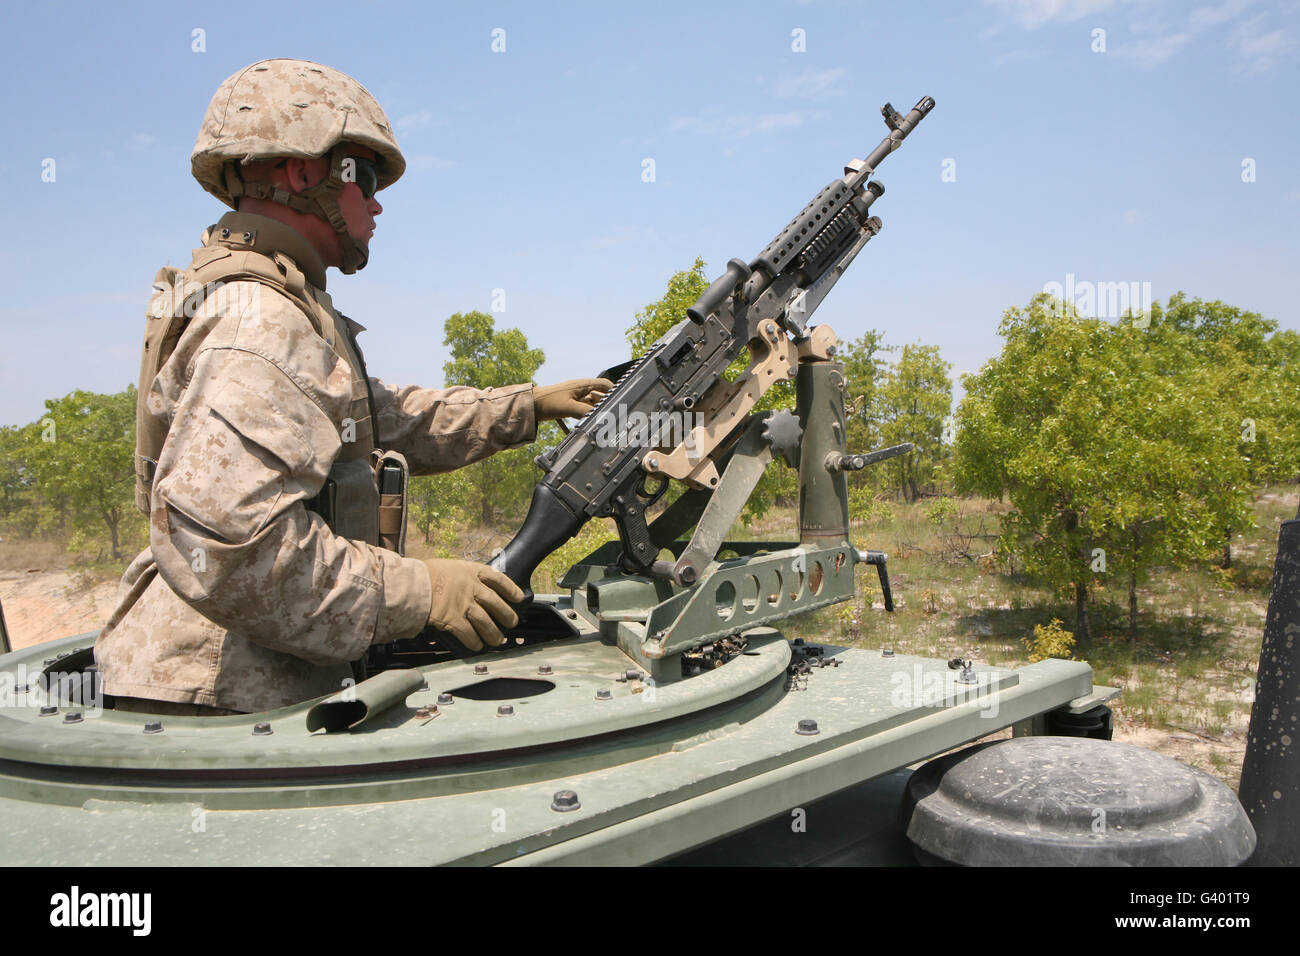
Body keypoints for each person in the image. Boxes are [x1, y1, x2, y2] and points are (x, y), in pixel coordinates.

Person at [94, 59, 609, 716]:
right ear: (302, 172)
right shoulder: (259, 321)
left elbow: (386, 416)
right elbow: (229, 552)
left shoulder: (281, 303)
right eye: (363, 176)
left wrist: (527, 406)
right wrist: (421, 592)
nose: (376, 201)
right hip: (221, 707)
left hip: (237, 682)